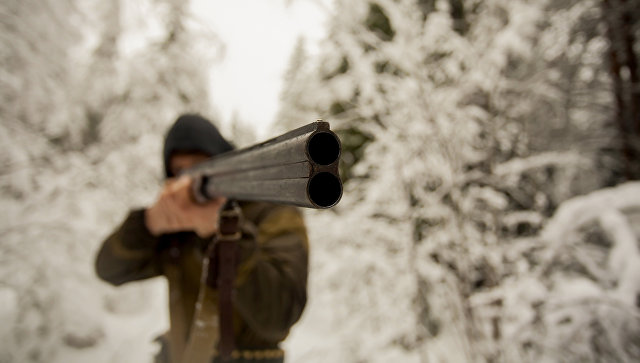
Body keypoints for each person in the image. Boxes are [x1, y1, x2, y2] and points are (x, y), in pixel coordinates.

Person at [95, 114, 309, 363]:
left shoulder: (273, 212)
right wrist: (148, 223)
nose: (188, 180)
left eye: (198, 166)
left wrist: (223, 232)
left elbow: (279, 314)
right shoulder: (176, 228)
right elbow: (108, 269)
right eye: (178, 171)